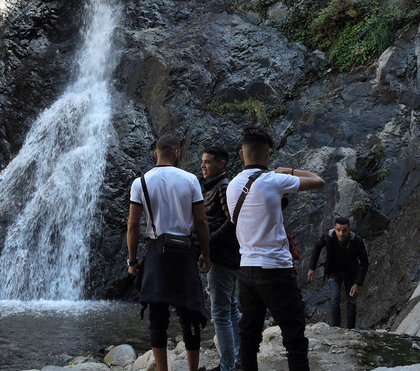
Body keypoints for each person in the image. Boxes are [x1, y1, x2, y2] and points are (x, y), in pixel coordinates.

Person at [226, 127, 325, 371]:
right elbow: (318, 181)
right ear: (268, 155)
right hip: (275, 269)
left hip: (246, 269)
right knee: (294, 338)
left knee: (249, 336)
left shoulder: (231, 186)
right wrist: (288, 171)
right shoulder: (274, 179)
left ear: (241, 154)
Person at [127, 135, 212, 371]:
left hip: (156, 250)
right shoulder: (190, 180)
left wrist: (132, 260)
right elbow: (201, 220)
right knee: (190, 312)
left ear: (156, 154)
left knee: (157, 314)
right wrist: (206, 253)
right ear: (177, 153)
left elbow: (133, 225)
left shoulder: (140, 182)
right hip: (184, 250)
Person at [201, 146, 241, 371]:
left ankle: (228, 366)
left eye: (207, 162)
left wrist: (208, 242)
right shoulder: (214, 186)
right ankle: (238, 359)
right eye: (202, 161)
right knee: (231, 308)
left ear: (222, 164)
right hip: (224, 255)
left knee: (220, 313)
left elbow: (232, 221)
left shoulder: (223, 187)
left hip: (224, 257)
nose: (202, 166)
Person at [307, 217, 369, 329]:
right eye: (338, 230)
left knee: (351, 300)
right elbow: (317, 248)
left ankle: (351, 330)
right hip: (334, 271)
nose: (341, 233)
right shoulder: (328, 237)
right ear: (334, 229)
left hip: (351, 272)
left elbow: (364, 264)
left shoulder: (356, 240)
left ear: (349, 229)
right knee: (335, 297)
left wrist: (357, 283)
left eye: (344, 230)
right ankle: (336, 328)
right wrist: (312, 268)